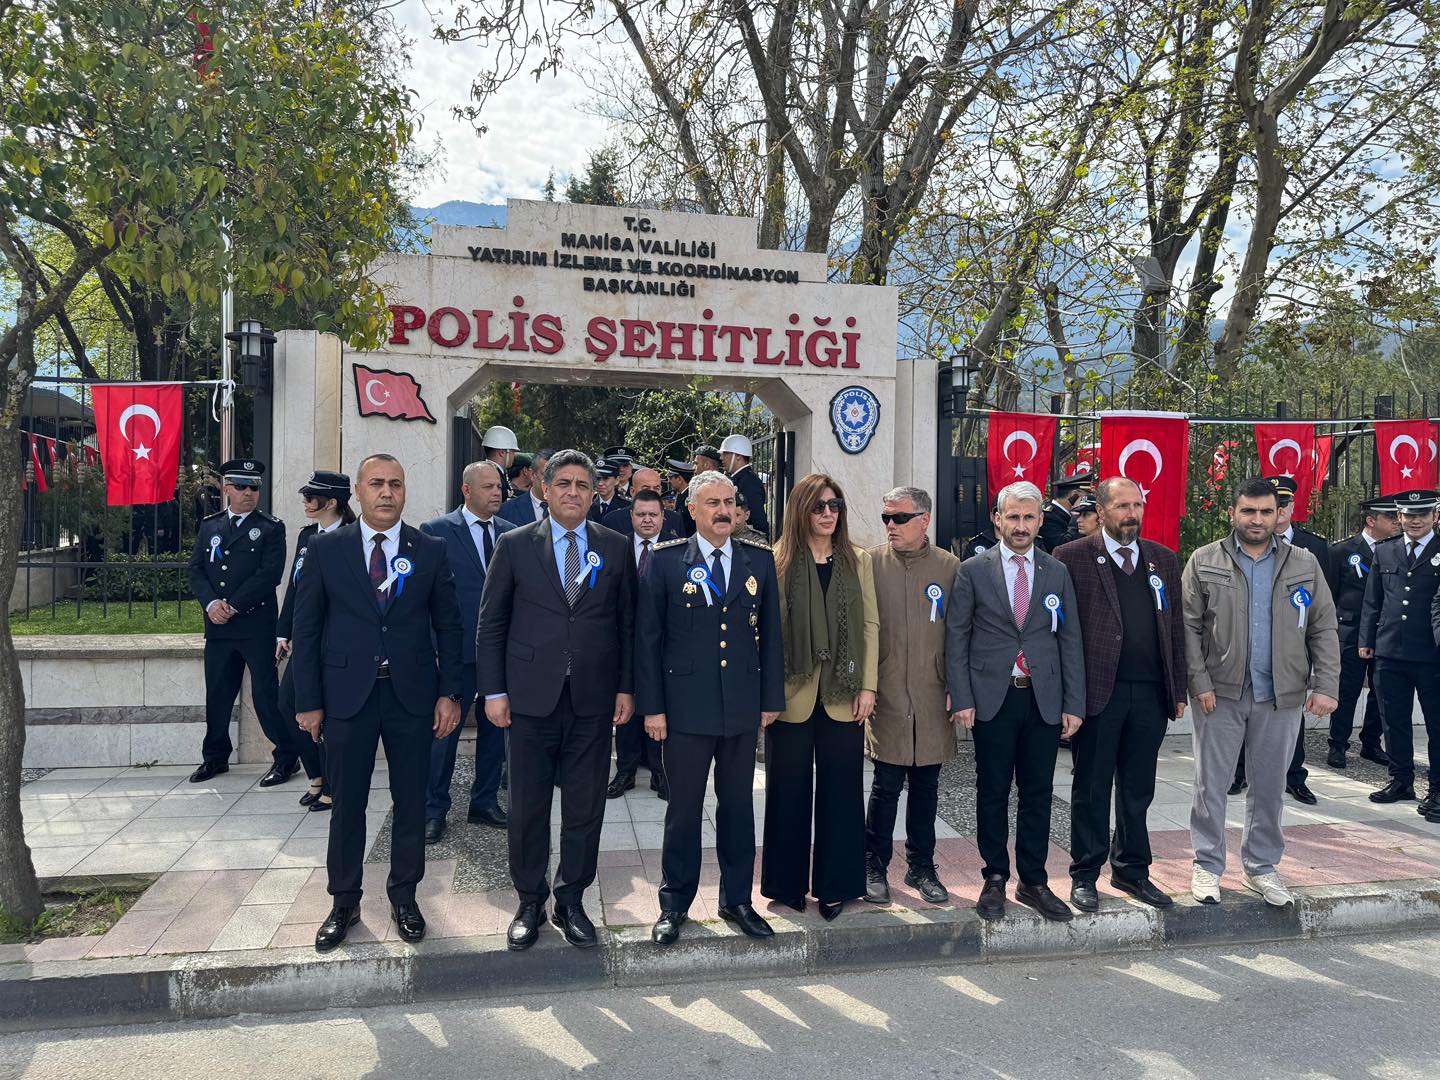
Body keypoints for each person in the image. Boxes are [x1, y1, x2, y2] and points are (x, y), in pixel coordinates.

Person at [291, 454, 464, 951]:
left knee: (410, 802)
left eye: (395, 484)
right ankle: (343, 901)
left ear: (405, 492)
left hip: (412, 697)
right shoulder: (327, 550)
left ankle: (404, 896)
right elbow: (307, 629)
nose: (387, 492)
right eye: (377, 484)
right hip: (347, 698)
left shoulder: (429, 550)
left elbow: (449, 626)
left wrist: (450, 693)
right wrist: (309, 701)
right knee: (348, 804)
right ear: (359, 494)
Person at [477, 450, 636, 952]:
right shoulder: (515, 544)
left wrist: (626, 687)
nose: (573, 492)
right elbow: (491, 623)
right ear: (545, 490)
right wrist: (495, 691)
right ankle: (529, 901)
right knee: (527, 805)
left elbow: (628, 625)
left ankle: (571, 899)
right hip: (528, 699)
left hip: (592, 699)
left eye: (583, 485)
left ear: (595, 493)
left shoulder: (615, 546)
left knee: (586, 808)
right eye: (563, 483)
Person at [637, 470, 784, 945]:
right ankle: (675, 903)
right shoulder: (664, 562)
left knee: (739, 807)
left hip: (741, 708)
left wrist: (769, 700)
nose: (723, 510)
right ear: (692, 511)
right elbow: (648, 641)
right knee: (683, 808)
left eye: (729, 501)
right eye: (713, 503)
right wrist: (653, 709)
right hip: (684, 709)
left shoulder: (757, 561)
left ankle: (737, 899)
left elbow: (773, 638)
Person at [1182, 477, 1339, 908]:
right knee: (1210, 786)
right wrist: (1200, 684)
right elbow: (1188, 629)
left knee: (1269, 786)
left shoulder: (1304, 563)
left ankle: (1261, 866)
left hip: (1281, 697)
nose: (1257, 519)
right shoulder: (1204, 560)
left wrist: (1325, 685)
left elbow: (1324, 626)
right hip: (1221, 695)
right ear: (1232, 513)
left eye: (1265, 512)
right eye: (1248, 511)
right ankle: (1208, 865)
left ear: (1279, 515)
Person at [946, 481, 1085, 922]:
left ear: (1040, 521)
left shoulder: (1056, 571)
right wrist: (962, 697)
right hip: (993, 699)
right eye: (1013, 517)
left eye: (1028, 517)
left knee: (1038, 793)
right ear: (997, 519)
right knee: (991, 792)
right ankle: (994, 878)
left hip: (1042, 700)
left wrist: (1073, 702)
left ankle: (1034, 880)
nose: (1020, 525)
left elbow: (1070, 639)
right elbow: (957, 637)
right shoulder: (973, 570)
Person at [1053, 477, 1187, 912]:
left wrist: (1178, 689)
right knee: (1091, 787)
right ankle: (1085, 874)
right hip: (1098, 694)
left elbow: (1176, 629)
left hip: (1150, 694)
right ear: (1103, 511)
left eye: (1138, 505)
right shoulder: (1071, 557)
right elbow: (1062, 635)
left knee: (1137, 787)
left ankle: (1132, 871)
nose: (1132, 514)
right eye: (1123, 506)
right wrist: (1067, 698)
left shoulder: (1163, 561)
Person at [762, 473, 878, 920]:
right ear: (801, 511)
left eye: (835, 505)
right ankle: (786, 884)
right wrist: (766, 695)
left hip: (843, 694)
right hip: (791, 695)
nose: (828, 513)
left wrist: (867, 685)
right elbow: (767, 635)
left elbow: (871, 626)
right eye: (819, 506)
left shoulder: (858, 560)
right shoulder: (777, 561)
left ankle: (836, 885)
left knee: (841, 791)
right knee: (787, 791)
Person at [863, 486, 959, 906]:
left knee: (927, 785)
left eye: (899, 518)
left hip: (933, 693)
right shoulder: (869, 564)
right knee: (885, 785)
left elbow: (961, 633)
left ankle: (922, 867)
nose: (890, 526)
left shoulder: (950, 567)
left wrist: (959, 686)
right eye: (886, 517)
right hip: (886, 693)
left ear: (925, 520)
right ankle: (873, 865)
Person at [419, 461, 515, 843]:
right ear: (466, 490)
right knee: (444, 733)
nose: (497, 493)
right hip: (454, 654)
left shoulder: (512, 534)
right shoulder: (437, 533)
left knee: (496, 730)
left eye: (500, 488)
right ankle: (433, 809)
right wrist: (434, 649)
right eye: (489, 487)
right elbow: (424, 599)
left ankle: (485, 801)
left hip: (501, 654)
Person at [1230, 475, 1336, 804]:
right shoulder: (1228, 549)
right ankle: (1239, 773)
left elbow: (1323, 612)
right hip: (1242, 661)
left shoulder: (1313, 549)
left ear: (1285, 508)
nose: (1262, 517)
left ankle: (1294, 777)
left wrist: (1324, 677)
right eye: (1252, 510)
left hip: (1291, 655)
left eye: (1281, 504)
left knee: (1290, 729)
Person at [186, 459, 291, 785]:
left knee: (266, 695)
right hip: (218, 626)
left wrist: (232, 605)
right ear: (226, 488)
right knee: (217, 695)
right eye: (242, 487)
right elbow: (196, 569)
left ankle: (287, 757)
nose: (249, 493)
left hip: (255, 625)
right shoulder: (211, 526)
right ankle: (215, 758)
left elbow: (269, 574)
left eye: (255, 487)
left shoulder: (271, 528)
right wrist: (212, 603)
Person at [276, 470, 355, 812]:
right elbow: (295, 587)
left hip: (337, 641)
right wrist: (284, 631)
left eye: (311, 497)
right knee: (288, 704)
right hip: (307, 640)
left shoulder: (353, 538)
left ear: (332, 502)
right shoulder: (308, 537)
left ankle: (335, 786)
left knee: (333, 715)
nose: (305, 502)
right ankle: (317, 774)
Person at [1362, 488, 1440, 813]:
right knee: (1393, 720)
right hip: (1390, 650)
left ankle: (1437, 788)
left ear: (1435, 516)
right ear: (1400, 517)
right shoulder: (1386, 550)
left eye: (1422, 514)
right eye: (1408, 515)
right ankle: (1401, 779)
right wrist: (1367, 641)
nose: (1415, 520)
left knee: (1436, 723)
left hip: (1432, 654)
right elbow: (1373, 599)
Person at [608, 489, 670, 801]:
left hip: (662, 642)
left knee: (659, 702)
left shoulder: (675, 549)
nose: (647, 520)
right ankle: (626, 770)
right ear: (631, 516)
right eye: (641, 514)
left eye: (653, 514)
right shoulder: (617, 547)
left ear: (663, 517)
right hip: (624, 640)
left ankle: (661, 772)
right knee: (626, 704)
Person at [1327, 497, 1398, 768]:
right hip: (1351, 631)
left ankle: (1371, 742)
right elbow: (1330, 595)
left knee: (1382, 691)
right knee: (1347, 690)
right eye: (1390, 518)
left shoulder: (1395, 550)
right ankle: (1337, 744)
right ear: (1371, 520)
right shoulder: (1343, 551)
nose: (1397, 522)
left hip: (1384, 632)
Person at [601, 466, 683, 538]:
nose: (652, 493)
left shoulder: (674, 519)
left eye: (656, 488)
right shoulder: (613, 521)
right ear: (632, 491)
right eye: (646, 489)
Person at [720, 433, 769, 534]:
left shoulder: (749, 482)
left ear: (738, 456)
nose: (721, 458)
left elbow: (759, 523)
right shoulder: (736, 480)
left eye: (725, 453)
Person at [1038, 474, 1092, 552]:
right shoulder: (1048, 517)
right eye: (1084, 498)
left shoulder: (1064, 514)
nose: (1085, 503)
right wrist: (1075, 516)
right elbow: (1064, 546)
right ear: (1073, 495)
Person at [498, 448, 552, 525]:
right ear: (533, 475)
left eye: (555, 475)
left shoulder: (569, 508)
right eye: (545, 474)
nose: (551, 479)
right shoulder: (507, 511)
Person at [481, 425, 519, 501]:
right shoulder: (493, 475)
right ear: (502, 452)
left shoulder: (496, 472)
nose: (514, 456)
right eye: (513, 451)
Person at [668, 459, 697, 535]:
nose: (669, 481)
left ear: (679, 479)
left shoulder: (692, 497)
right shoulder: (681, 495)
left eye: (671, 478)